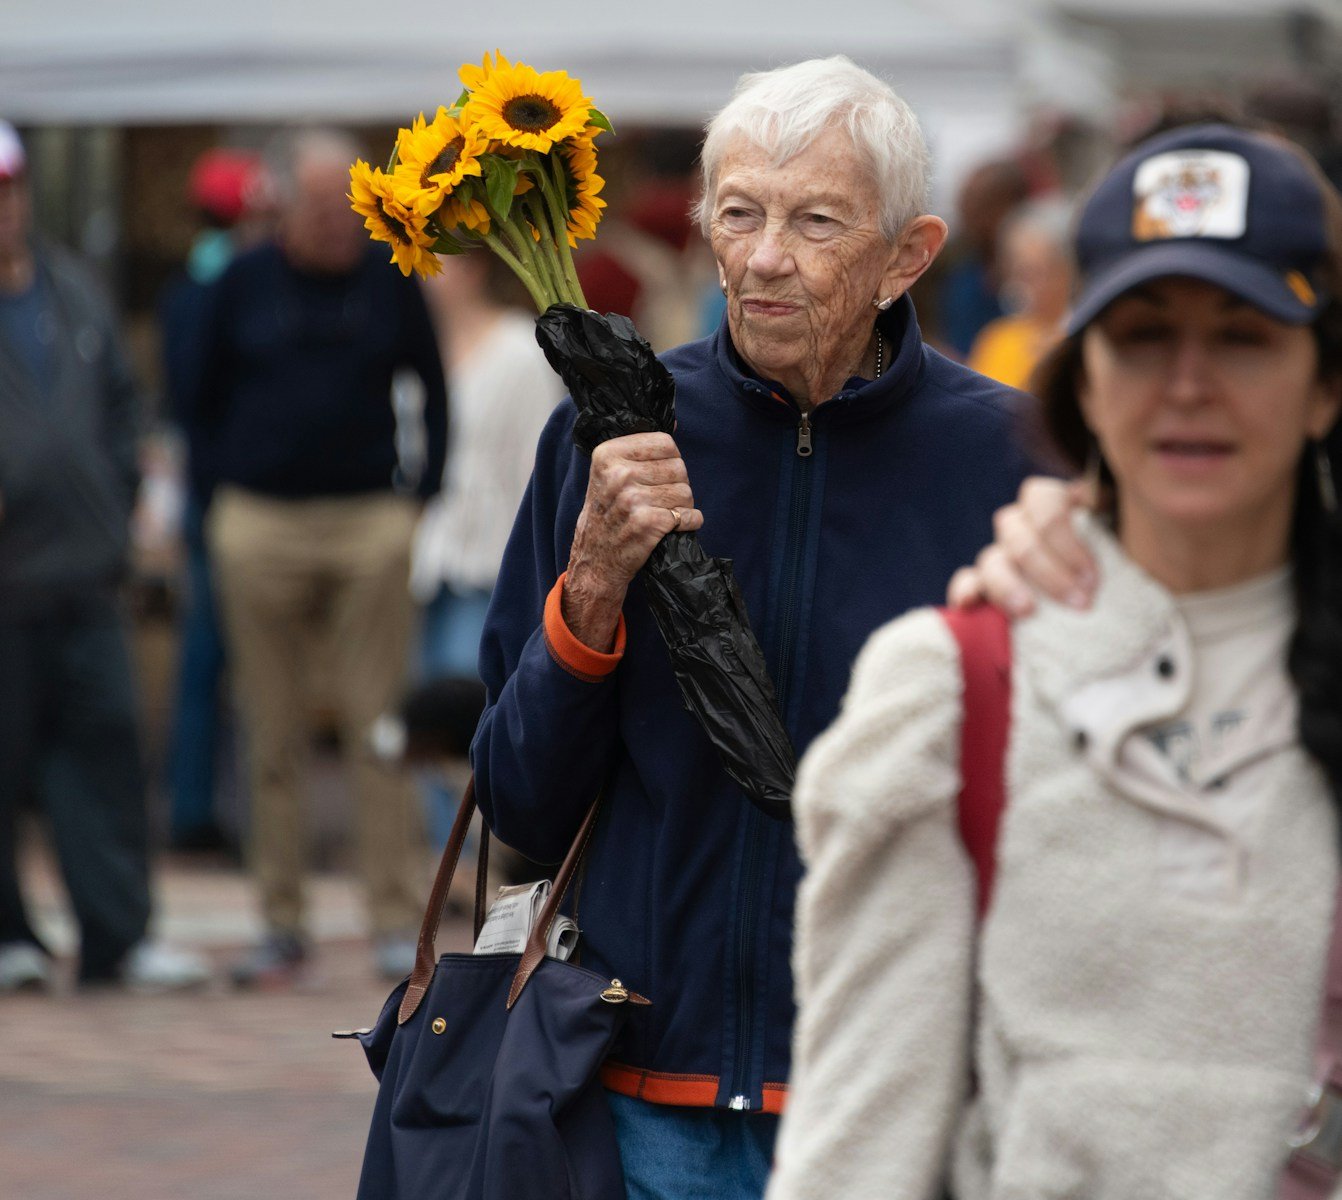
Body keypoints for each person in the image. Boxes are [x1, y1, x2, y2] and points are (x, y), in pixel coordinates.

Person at [472, 57, 1037, 1198]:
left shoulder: (1012, 462)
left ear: (907, 256)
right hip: (638, 1103)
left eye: (815, 220)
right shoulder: (608, 439)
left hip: (894, 1100)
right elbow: (520, 800)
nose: (765, 257)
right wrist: (590, 592)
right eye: (739, 214)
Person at [768, 123, 1342, 1199]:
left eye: (1244, 337)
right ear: (1078, 381)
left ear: (1323, 386)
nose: (1187, 383)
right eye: (1140, 335)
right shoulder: (953, 690)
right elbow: (857, 1148)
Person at [195, 128, 448, 986]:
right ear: (279, 205)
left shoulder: (390, 278)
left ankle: (390, 918)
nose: (337, 224)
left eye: (347, 206)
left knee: (382, 727)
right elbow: (193, 398)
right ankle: (280, 919)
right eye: (316, 206)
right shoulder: (239, 284)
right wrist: (214, 509)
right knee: (270, 729)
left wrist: (419, 498)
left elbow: (432, 386)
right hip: (260, 520)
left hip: (366, 519)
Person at [0, 119, 210, 993]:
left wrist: (131, 493)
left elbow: (125, 408)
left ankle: (115, 935)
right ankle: (8, 935)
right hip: (6, 582)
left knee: (107, 753)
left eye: (7, 187)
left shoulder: (72, 290)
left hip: (86, 576)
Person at [410, 251, 563, 846]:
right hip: (425, 559)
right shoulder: (415, 345)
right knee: (422, 715)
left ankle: (483, 852)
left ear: (474, 268)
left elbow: (540, 461)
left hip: (494, 557)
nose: (425, 277)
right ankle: (441, 856)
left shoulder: (519, 351)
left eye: (439, 262)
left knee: (473, 706)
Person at [161, 146, 266, 854]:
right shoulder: (228, 286)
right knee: (225, 660)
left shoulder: (186, 285)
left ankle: (197, 803)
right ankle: (202, 809)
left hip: (207, 490)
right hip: (229, 496)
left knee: (208, 659)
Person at [966, 197, 1073, 391]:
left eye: (1036, 272)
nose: (1024, 285)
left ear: (1066, 271)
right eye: (1018, 272)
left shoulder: (1080, 340)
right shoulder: (996, 339)